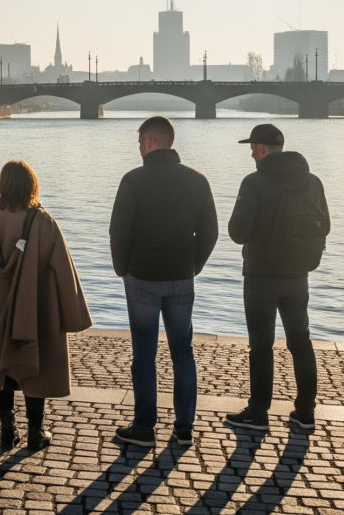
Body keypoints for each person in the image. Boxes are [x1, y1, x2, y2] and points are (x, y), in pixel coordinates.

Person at [0, 160, 91, 452]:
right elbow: (64, 270)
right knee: (35, 371)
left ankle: (7, 429)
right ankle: (36, 432)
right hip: (34, 311)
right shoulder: (43, 223)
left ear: (2, 185)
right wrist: (73, 314)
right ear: (31, 186)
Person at [109, 116, 218, 448]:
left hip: (141, 277)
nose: (139, 147)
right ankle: (183, 428)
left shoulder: (133, 181)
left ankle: (144, 427)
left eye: (140, 141)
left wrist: (122, 268)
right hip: (181, 276)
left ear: (150, 142)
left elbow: (118, 230)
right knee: (182, 352)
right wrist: (193, 264)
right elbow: (210, 231)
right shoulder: (197, 180)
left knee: (144, 354)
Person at [225, 123, 330, 433]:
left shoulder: (254, 183)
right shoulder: (312, 181)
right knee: (301, 341)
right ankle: (305, 412)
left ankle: (258, 413)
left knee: (261, 346)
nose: (251, 153)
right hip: (298, 274)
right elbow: (325, 225)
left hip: (260, 276)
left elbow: (237, 232)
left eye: (252, 148)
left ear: (259, 150)